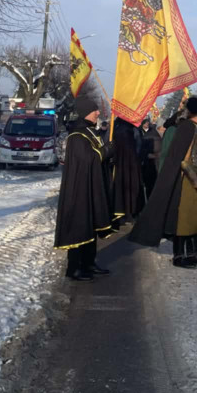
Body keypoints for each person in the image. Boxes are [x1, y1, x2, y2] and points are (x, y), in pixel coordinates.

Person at [129, 96, 197, 268]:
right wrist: (193, 177)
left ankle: (193, 253)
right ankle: (179, 255)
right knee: (183, 219)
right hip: (186, 181)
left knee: (196, 218)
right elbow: (179, 158)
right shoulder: (185, 128)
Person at [54, 95, 114, 282]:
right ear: (86, 112)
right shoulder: (77, 136)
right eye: (94, 110)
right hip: (79, 190)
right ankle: (74, 268)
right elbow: (90, 159)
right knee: (79, 226)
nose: (98, 113)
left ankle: (88, 262)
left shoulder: (89, 132)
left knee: (91, 225)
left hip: (91, 186)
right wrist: (108, 150)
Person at [111, 118, 144, 222]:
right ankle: (132, 211)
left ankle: (121, 212)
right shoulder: (134, 130)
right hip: (132, 162)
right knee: (132, 187)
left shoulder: (115, 128)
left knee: (121, 188)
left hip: (119, 162)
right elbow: (139, 146)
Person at [139, 117, 162, 200]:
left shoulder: (146, 136)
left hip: (148, 165)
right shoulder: (158, 136)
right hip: (157, 164)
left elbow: (142, 152)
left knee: (149, 186)